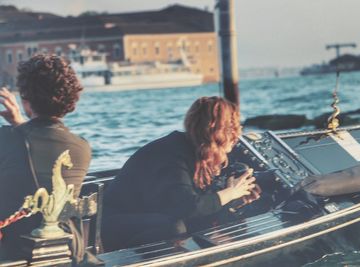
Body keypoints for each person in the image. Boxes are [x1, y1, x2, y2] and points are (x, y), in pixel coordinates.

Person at [102, 96, 260, 251]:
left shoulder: (193, 150)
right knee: (174, 227)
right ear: (218, 132)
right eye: (233, 129)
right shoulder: (171, 154)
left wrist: (234, 201)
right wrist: (229, 193)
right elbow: (188, 206)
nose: (237, 135)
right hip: (116, 227)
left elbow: (197, 205)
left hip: (149, 216)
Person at [0, 55, 91, 261]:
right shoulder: (81, 148)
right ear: (71, 99)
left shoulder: (5, 140)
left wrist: (19, 126)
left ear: (25, 100)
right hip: (65, 251)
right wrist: (21, 124)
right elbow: (42, 142)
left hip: (11, 253)